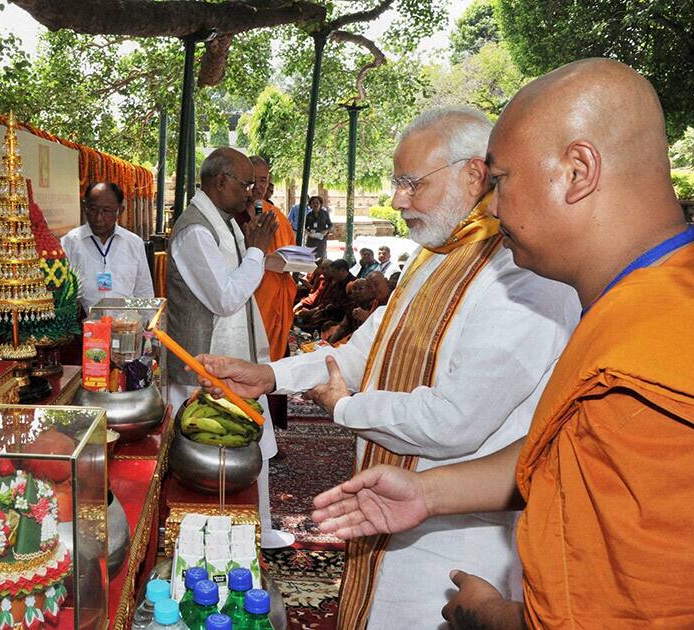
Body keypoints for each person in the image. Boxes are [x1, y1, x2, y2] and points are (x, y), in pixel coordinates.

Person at [311, 59, 694, 629]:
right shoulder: (633, 300)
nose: (491, 207)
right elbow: (559, 450)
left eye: (500, 181)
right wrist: (428, 491)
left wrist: (496, 617)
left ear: (578, 171)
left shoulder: (666, 347)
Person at [191, 106, 580, 629]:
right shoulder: (438, 253)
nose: (398, 200)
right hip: (390, 503)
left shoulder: (524, 276)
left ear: (473, 174)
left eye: (410, 183)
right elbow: (369, 346)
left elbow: (455, 420)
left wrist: (346, 409)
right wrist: (273, 376)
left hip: (458, 536)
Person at [165, 147, 294, 549]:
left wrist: (256, 248)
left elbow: (243, 276)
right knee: (203, 462)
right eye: (246, 184)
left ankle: (260, 527)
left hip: (236, 362)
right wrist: (256, 248)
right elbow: (225, 298)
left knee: (255, 440)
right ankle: (205, 543)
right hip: (202, 366)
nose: (253, 192)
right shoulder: (196, 231)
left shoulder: (227, 223)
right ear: (220, 182)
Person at [238, 156, 297, 361]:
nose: (258, 186)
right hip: (250, 294)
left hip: (277, 292)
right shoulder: (234, 215)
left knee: (275, 360)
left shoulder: (275, 215)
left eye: (263, 180)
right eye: (253, 180)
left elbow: (292, 249)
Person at [62, 182, 154, 311]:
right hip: (84, 327)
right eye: (93, 209)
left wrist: (147, 327)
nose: (99, 218)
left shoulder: (134, 243)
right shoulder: (70, 242)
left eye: (106, 211)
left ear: (120, 211)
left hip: (126, 326)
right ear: (84, 207)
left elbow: (144, 291)